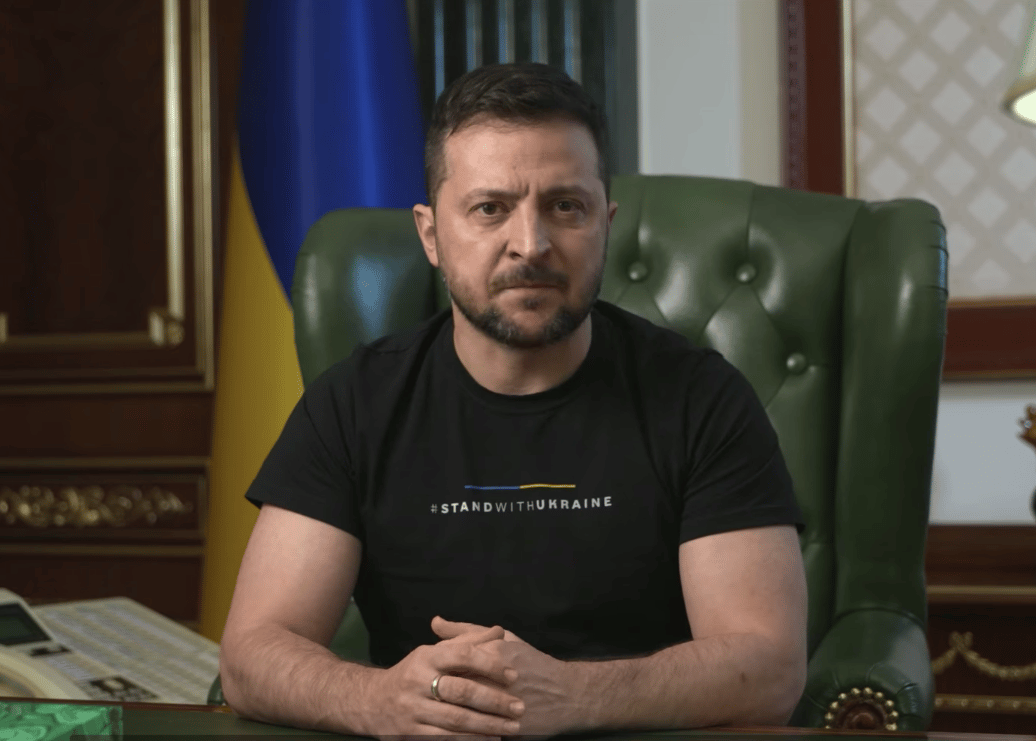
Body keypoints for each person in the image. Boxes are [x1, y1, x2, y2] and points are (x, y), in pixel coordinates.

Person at [218, 62, 808, 738]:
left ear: (606, 223)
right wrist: (378, 698)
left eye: (566, 206)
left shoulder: (702, 398)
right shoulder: (353, 404)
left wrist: (573, 696)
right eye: (490, 208)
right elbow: (251, 655)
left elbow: (769, 668)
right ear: (431, 235)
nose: (531, 245)